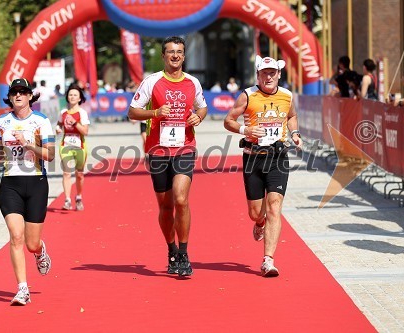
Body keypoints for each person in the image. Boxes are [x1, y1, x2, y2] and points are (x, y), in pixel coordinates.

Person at [128, 36, 208, 277]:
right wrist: (155, 112)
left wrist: (199, 116)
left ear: (184, 56)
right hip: (158, 150)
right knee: (165, 205)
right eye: (171, 52)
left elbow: (202, 106)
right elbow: (132, 112)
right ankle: (171, 248)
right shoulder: (152, 82)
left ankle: (183, 253)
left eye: (179, 52)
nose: (175, 55)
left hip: (185, 147)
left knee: (181, 199)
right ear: (163, 56)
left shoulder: (193, 82)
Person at [223, 55, 303, 277]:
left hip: (278, 157)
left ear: (278, 74)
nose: (268, 77)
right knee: (256, 212)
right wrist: (245, 130)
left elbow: (292, 116)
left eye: (272, 73)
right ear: (258, 75)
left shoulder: (287, 96)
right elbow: (228, 120)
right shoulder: (248, 96)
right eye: (264, 73)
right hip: (253, 157)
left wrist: (295, 133)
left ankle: (268, 260)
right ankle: (259, 222)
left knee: (275, 205)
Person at [0, 78, 55, 305]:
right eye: (14, 92)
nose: (18, 95)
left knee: (30, 243)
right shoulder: (2, 121)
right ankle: (22, 289)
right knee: (15, 237)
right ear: (10, 97)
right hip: (10, 183)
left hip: (36, 183)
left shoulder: (41, 121)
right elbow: (2, 149)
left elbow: (50, 155)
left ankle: (40, 250)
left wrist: (27, 144)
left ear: (29, 96)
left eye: (22, 92)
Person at [55, 83, 90, 211]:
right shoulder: (63, 112)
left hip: (80, 146)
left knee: (79, 174)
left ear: (80, 98)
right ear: (67, 97)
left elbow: (85, 131)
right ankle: (67, 200)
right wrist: (58, 129)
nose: (72, 97)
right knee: (66, 173)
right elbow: (59, 124)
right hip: (65, 145)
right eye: (70, 94)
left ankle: (79, 196)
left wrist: (75, 123)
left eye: (75, 95)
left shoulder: (82, 113)